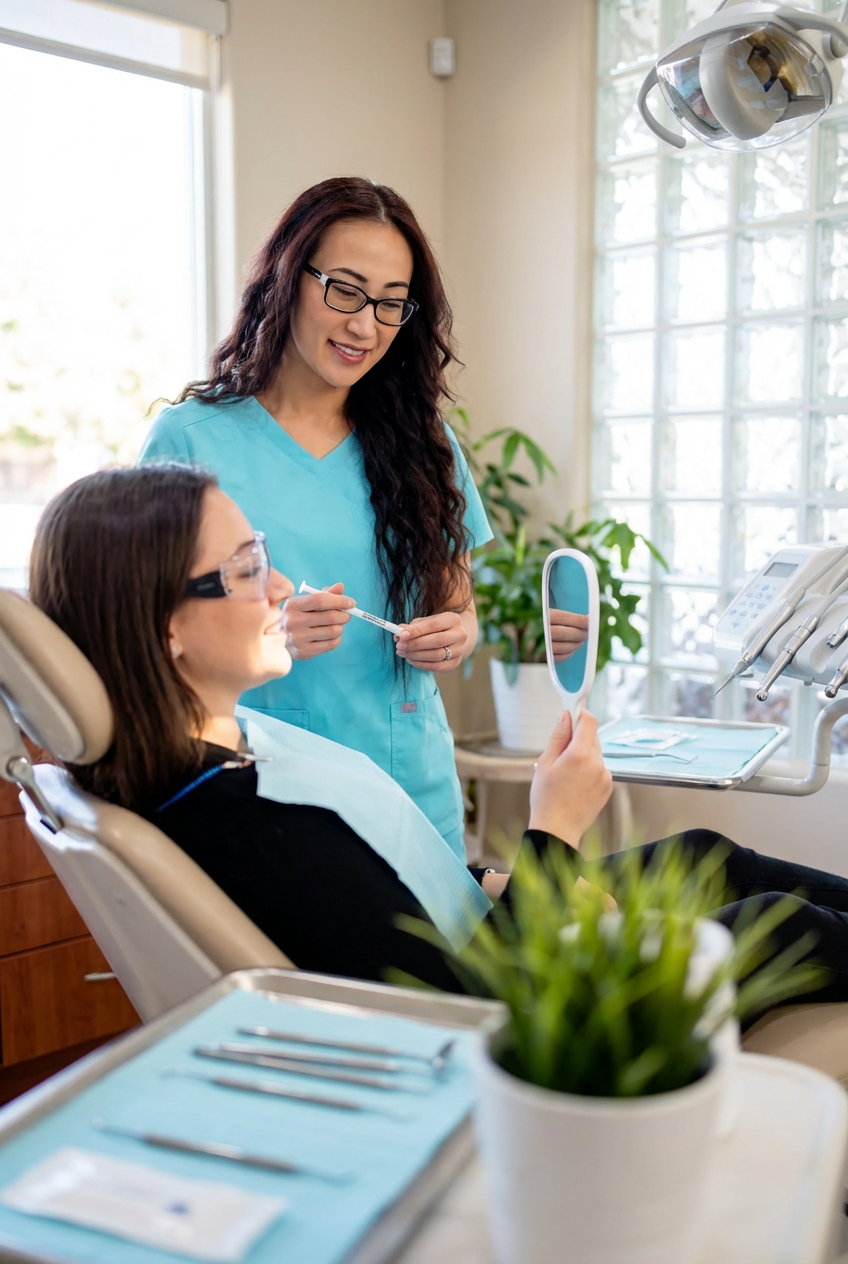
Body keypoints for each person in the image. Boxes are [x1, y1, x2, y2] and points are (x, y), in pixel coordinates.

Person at [29, 466, 848, 1004]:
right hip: (518, 1013)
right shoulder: (252, 823)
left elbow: (387, 882)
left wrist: (495, 876)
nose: (279, 584)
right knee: (788, 919)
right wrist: (554, 831)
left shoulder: (230, 752)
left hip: (494, 928)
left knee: (708, 855)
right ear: (163, 628)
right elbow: (478, 1002)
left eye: (263, 554)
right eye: (245, 569)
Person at [139, 177, 491, 859]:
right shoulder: (189, 441)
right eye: (345, 291)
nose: (365, 326)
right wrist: (267, 633)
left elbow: (459, 608)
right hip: (265, 793)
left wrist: (454, 636)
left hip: (412, 790)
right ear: (288, 276)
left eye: (391, 305)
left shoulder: (425, 446)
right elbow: (147, 638)